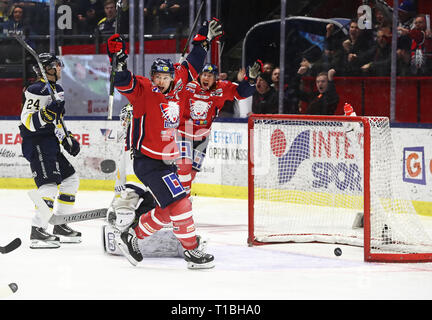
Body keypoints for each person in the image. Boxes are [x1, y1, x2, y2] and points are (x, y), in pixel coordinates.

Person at [106, 18, 222, 269]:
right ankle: (192, 252)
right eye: (156, 76)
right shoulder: (145, 90)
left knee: (168, 209)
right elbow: (123, 82)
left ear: (172, 77)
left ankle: (132, 236)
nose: (160, 80)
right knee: (181, 202)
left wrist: (204, 37)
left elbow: (194, 60)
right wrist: (118, 60)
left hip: (166, 160)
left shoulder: (180, 83)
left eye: (164, 77)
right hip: (147, 161)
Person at [102, 104, 207, 259]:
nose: (129, 122)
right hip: (133, 186)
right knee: (125, 212)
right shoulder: (127, 140)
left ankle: (148, 231)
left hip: (152, 182)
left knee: (172, 208)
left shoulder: (151, 134)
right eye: (128, 119)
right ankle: (126, 232)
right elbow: (128, 178)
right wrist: (123, 203)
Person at [19, 53, 81, 249]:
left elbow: (57, 120)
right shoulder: (36, 89)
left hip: (50, 142)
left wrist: (66, 139)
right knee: (49, 185)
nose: (60, 68)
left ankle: (60, 224)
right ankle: (37, 229)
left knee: (71, 179)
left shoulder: (57, 89)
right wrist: (45, 113)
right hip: (37, 143)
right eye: (57, 65)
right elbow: (27, 122)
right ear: (47, 68)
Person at [176, 62, 260, 197]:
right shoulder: (189, 85)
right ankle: (180, 199)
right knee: (183, 168)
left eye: (210, 76)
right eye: (204, 75)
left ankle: (184, 197)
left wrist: (250, 80)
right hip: (183, 133)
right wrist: (179, 73)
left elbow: (242, 93)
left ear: (216, 78)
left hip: (203, 137)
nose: (206, 78)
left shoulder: (222, 88)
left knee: (192, 172)